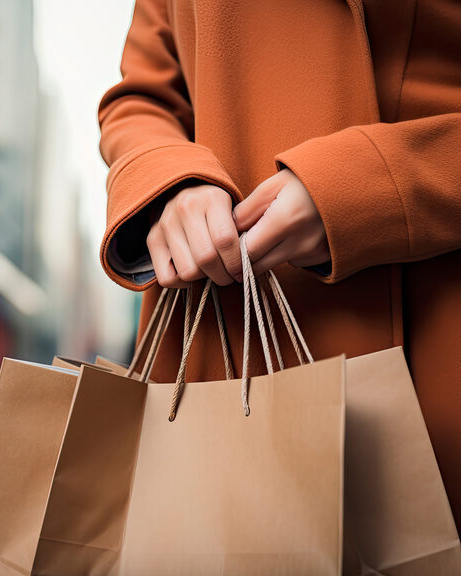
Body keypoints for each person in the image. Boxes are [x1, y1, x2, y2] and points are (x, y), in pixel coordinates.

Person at [99, 0, 461, 527]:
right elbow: (141, 98)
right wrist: (170, 179)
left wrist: (365, 186)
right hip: (217, 351)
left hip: (436, 343)